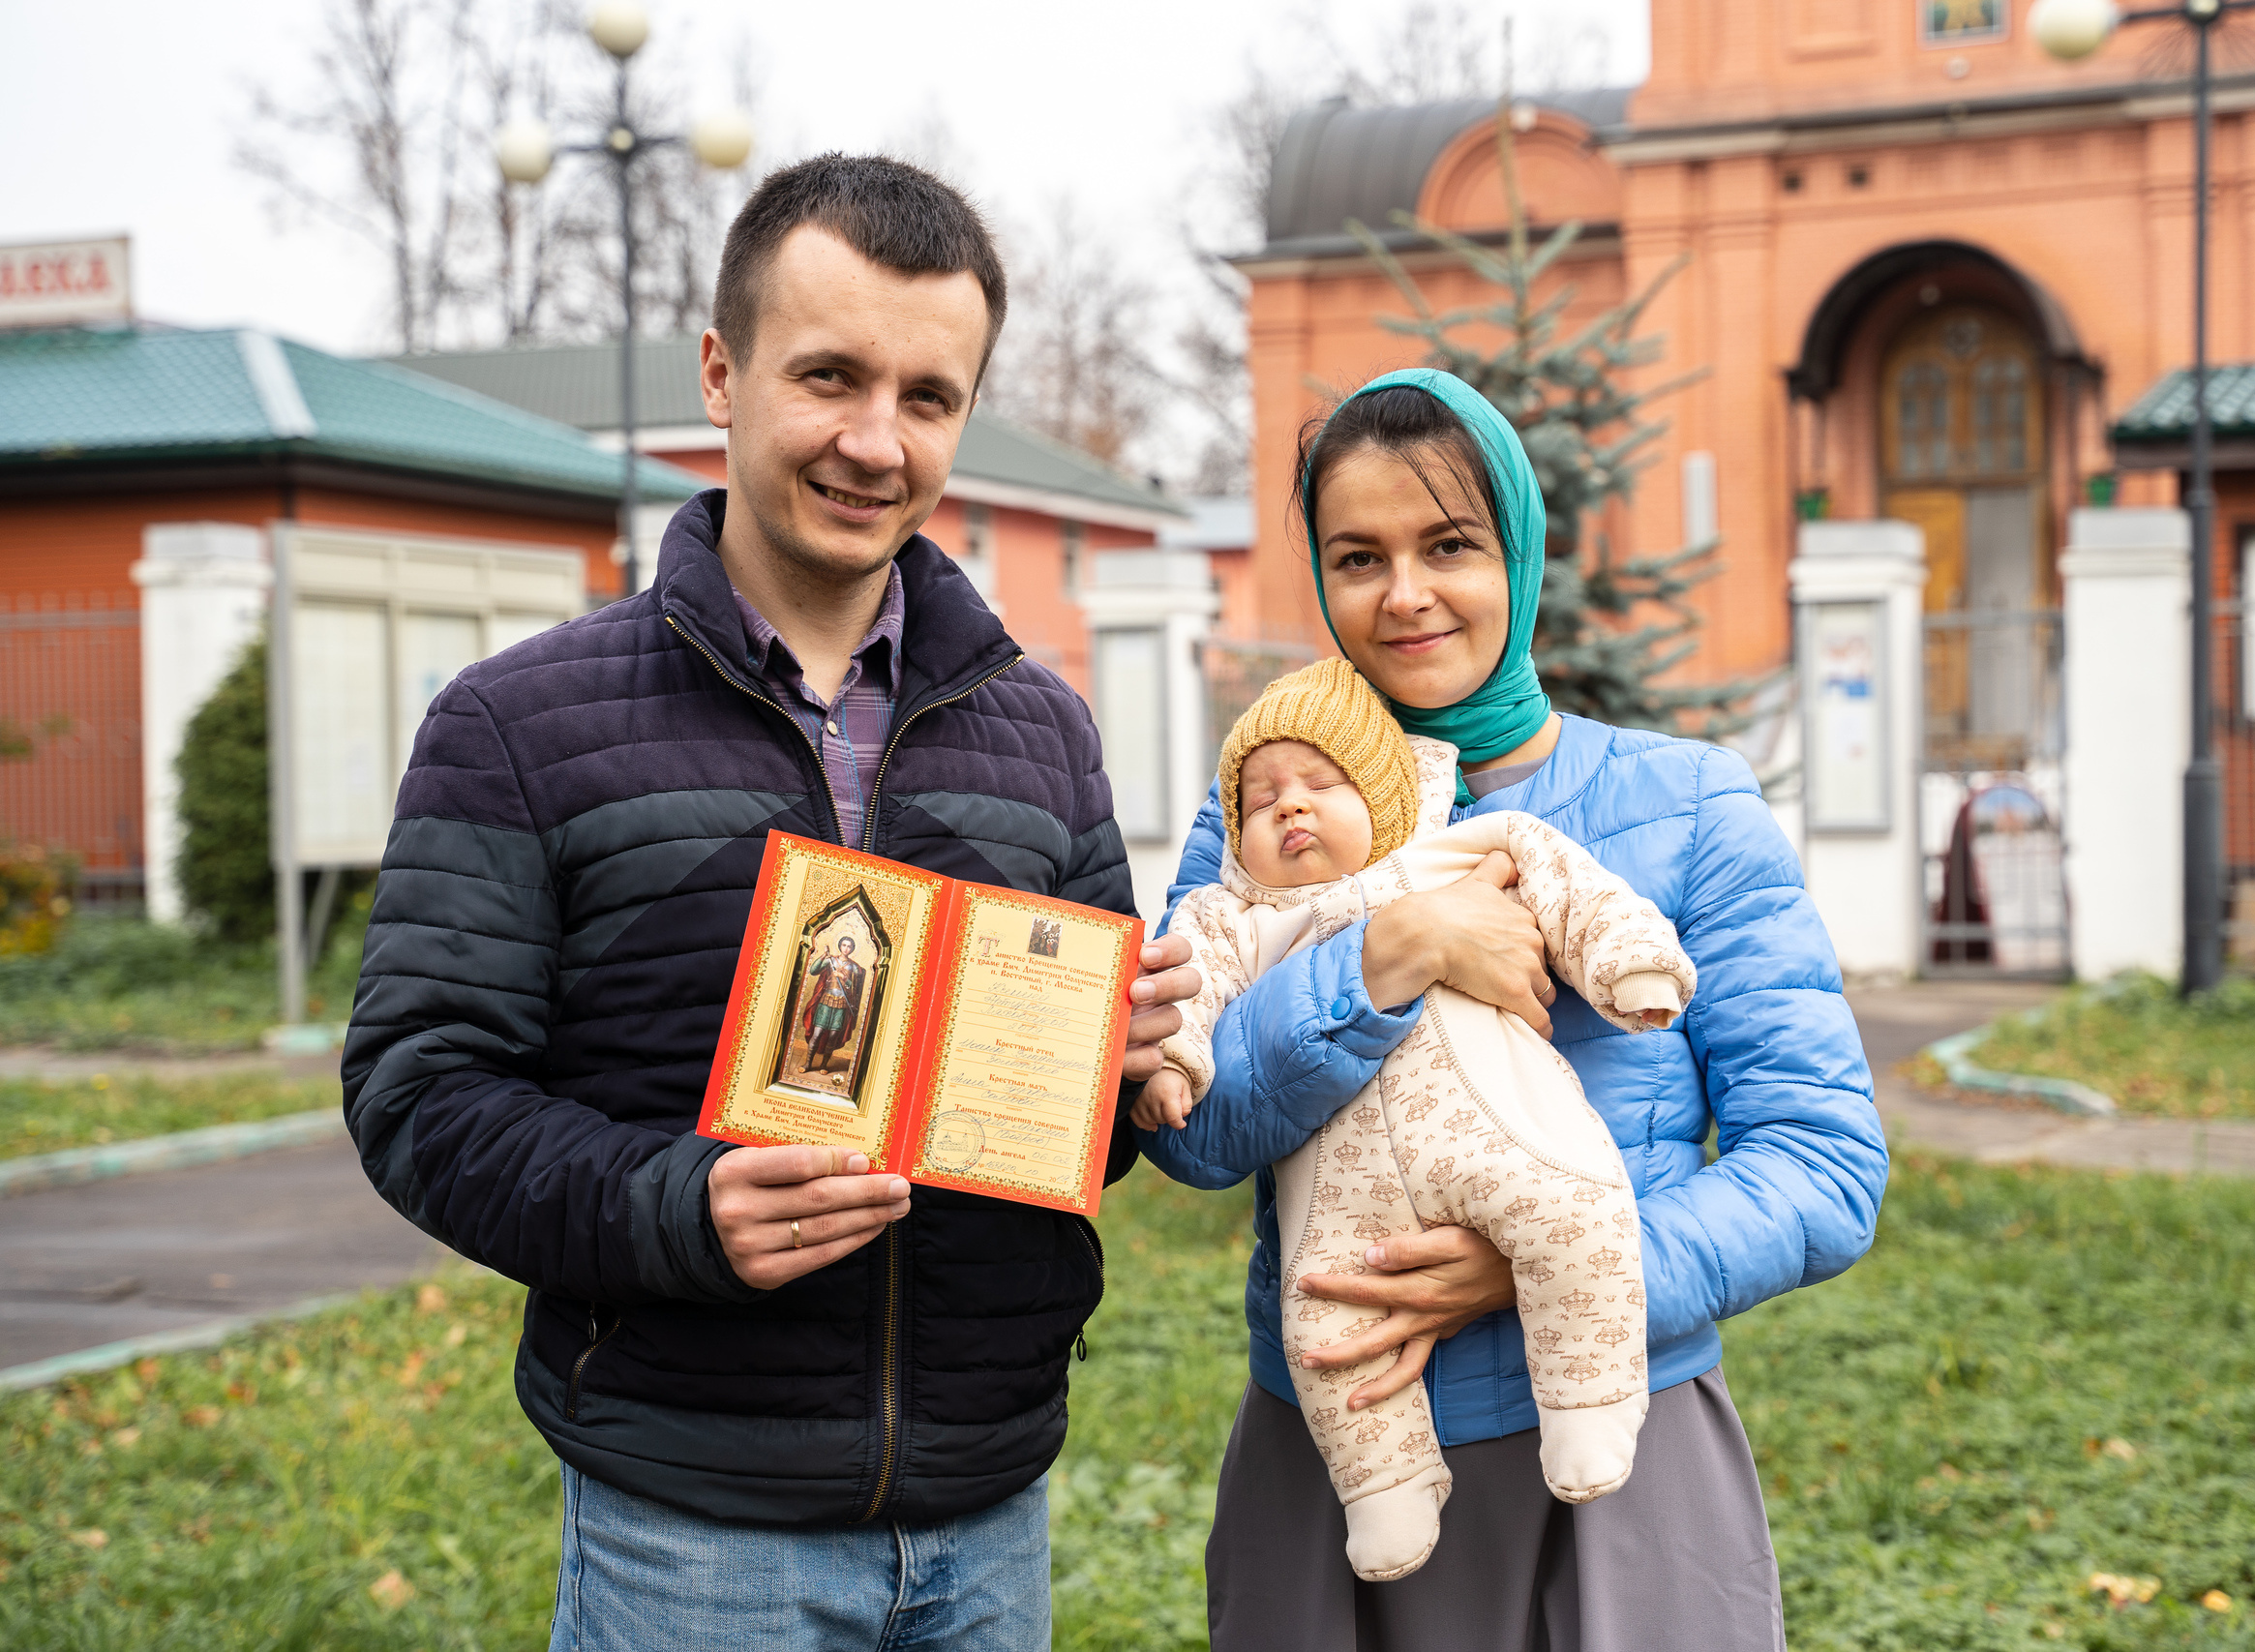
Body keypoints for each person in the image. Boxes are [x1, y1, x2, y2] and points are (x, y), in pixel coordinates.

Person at [341, 154, 1199, 1651]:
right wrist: (680, 1207)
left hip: (990, 1518)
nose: (878, 441)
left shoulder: (1041, 727)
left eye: (929, 396)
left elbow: (1070, 1140)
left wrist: (1123, 1081)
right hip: (693, 1533)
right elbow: (419, 1092)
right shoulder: (517, 723)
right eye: (832, 377)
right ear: (721, 375)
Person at [1141, 368, 1886, 1650]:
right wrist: (1388, 950)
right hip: (1337, 1452)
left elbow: (1824, 1166)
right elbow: (1192, 1134)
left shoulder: (1689, 802)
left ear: (1521, 549)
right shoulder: (1261, 817)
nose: (1406, 592)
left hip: (1614, 1448)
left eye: (1450, 545)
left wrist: (1543, 1269)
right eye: (1359, 554)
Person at [1133, 655, 1698, 1581]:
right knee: (1325, 1326)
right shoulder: (1232, 913)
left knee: (1574, 1213)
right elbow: (1186, 992)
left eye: (1321, 783)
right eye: (1264, 800)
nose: (1292, 808)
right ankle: (1384, 1491)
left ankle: (1591, 1401)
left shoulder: (1454, 852)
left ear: (1387, 795)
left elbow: (1573, 888)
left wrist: (1629, 964)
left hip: (1496, 1131)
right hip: (1341, 1195)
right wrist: (1175, 1065)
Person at [801, 933, 868, 1073]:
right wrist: (823, 956)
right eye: (844, 945)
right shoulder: (830, 961)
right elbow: (813, 971)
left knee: (833, 1036)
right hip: (826, 1001)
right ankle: (808, 1064)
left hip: (841, 1005)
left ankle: (824, 1065)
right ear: (840, 946)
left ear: (852, 949)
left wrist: (843, 977)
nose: (846, 949)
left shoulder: (854, 967)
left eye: (849, 947)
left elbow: (855, 987)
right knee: (817, 1034)